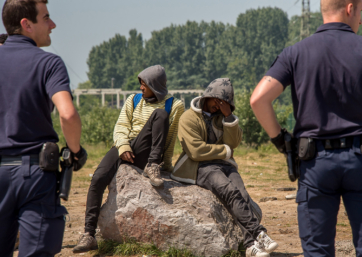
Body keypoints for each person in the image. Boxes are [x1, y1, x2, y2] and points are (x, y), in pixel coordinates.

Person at [250, 0, 362, 256]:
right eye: (361, 12)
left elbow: (258, 99)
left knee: (317, 251)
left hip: (315, 164)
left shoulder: (295, 53)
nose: (361, 20)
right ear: (350, 8)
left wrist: (281, 141)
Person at [0, 1, 87, 257]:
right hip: (35, 177)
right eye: (46, 17)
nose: (53, 25)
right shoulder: (49, 64)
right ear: (26, 25)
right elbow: (68, 114)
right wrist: (75, 151)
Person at [73, 65, 185, 253]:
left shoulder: (174, 105)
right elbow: (121, 126)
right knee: (98, 178)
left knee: (160, 114)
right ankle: (89, 234)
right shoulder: (133, 100)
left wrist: (164, 165)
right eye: (140, 83)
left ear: (155, 85)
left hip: (147, 153)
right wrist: (123, 147)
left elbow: (170, 138)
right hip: (125, 146)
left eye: (145, 84)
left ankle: (152, 165)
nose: (141, 87)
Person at [171, 78, 278, 257]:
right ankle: (259, 233)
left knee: (242, 195)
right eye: (218, 101)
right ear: (208, 96)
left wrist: (228, 116)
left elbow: (233, 142)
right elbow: (196, 151)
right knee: (229, 191)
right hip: (201, 167)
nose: (219, 106)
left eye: (225, 103)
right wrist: (225, 150)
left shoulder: (222, 116)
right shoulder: (188, 117)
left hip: (225, 165)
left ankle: (250, 246)